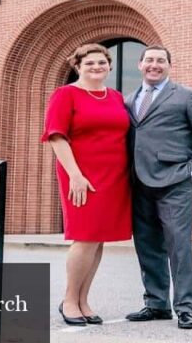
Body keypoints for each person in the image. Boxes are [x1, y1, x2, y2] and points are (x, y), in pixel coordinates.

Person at [124, 45, 192, 330]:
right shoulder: (130, 100)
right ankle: (156, 304)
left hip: (175, 182)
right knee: (146, 246)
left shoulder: (187, 97)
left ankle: (185, 308)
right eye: (150, 60)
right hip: (139, 183)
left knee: (179, 247)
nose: (155, 65)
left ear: (169, 66)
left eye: (161, 61)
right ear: (140, 65)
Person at [42, 43, 132, 326]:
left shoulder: (116, 97)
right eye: (90, 63)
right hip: (82, 175)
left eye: (102, 63)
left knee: (98, 238)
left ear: (109, 67)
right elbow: (56, 136)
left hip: (115, 176)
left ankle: (84, 300)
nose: (97, 67)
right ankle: (69, 299)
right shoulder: (66, 94)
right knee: (85, 236)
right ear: (78, 67)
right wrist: (76, 176)